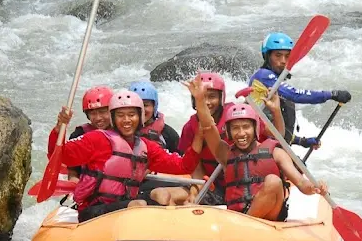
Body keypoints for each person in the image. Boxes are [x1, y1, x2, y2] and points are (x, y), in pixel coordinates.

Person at [185, 77, 328, 221]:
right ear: (228, 132)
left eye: (246, 127)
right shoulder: (226, 154)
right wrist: (199, 100)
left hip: (270, 216)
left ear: (256, 129)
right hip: (238, 213)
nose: (241, 133)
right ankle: (245, 222)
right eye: (235, 128)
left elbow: (301, 183)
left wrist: (314, 188)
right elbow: (208, 127)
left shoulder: (276, 152)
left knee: (273, 181)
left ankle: (245, 222)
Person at [50, 90, 200, 222]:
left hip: (127, 203)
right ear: (113, 119)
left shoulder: (146, 147)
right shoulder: (96, 139)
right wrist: (59, 128)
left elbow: (184, 166)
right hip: (94, 210)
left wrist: (200, 134)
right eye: (120, 115)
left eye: (131, 115)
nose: (127, 120)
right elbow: (60, 156)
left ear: (140, 117)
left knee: (161, 195)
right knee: (138, 205)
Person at [178, 71, 284, 205]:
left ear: (221, 98)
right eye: (203, 97)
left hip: (249, 179)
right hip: (214, 184)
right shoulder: (190, 128)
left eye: (212, 97)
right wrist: (196, 190)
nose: (208, 102)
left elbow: (277, 139)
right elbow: (195, 166)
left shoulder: (238, 116)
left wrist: (276, 112)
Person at [249, 32, 352, 148]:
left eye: (287, 56)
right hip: (259, 145)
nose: (283, 60)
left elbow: (275, 128)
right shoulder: (263, 76)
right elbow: (295, 95)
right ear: (267, 56)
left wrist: (301, 141)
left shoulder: (274, 82)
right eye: (278, 55)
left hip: (272, 142)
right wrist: (332, 94)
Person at [128, 81, 180, 153]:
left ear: (154, 107)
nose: (141, 110)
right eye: (136, 105)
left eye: (145, 105)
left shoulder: (168, 135)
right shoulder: (121, 130)